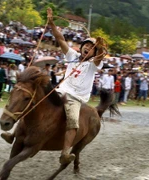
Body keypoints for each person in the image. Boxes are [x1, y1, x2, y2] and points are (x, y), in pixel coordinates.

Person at [46, 8, 106, 165]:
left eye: (92, 48)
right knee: (35, 100)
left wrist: (100, 47)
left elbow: (100, 59)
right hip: (60, 92)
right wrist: (52, 24)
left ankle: (65, 153)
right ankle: (15, 134)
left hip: (75, 98)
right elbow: (60, 39)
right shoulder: (72, 55)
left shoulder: (94, 65)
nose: (88, 48)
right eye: (86, 45)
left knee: (73, 121)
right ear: (81, 47)